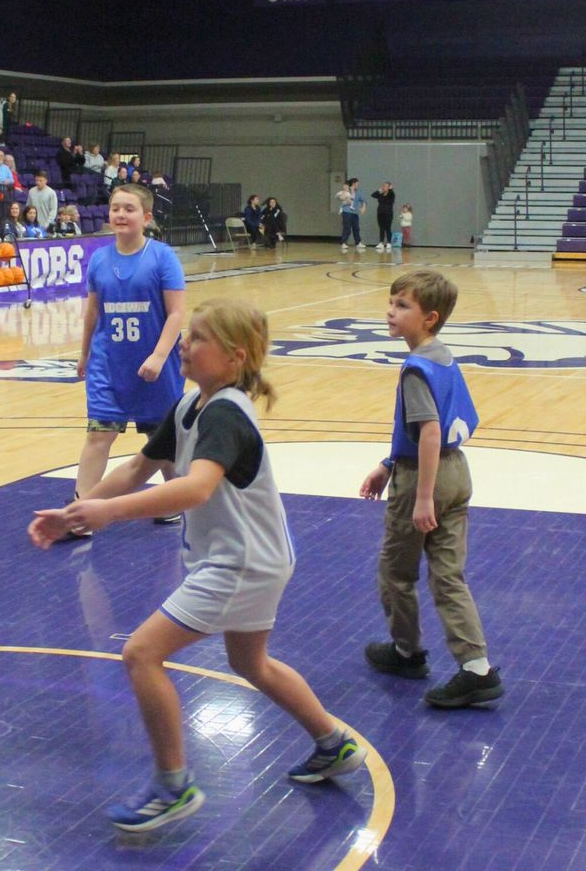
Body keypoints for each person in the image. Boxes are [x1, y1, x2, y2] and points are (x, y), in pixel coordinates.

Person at [29, 297, 366, 832]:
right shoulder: (190, 406)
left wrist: (108, 513)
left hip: (241, 562)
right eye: (187, 335)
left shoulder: (228, 412)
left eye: (199, 338)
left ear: (234, 357)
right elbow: (140, 466)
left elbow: (195, 487)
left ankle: (173, 785)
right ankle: (334, 743)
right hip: (251, 557)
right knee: (251, 663)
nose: (185, 343)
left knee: (141, 653)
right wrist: (79, 511)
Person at [359, 271, 503, 709]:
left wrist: (421, 495)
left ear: (430, 318)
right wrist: (388, 462)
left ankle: (406, 652)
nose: (391, 310)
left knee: (397, 572)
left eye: (403, 305)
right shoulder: (444, 358)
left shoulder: (415, 369)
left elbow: (429, 432)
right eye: (391, 301)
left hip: (426, 477)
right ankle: (476, 668)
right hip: (458, 474)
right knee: (448, 576)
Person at [72, 184, 187, 531]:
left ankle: (175, 498)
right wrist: (85, 352)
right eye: (115, 208)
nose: (120, 215)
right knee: (98, 435)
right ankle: (81, 512)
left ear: (146, 217)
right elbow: (93, 311)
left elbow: (177, 313)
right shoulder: (99, 259)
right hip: (109, 364)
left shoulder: (162, 257)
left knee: (161, 441)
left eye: (129, 209)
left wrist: (158, 356)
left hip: (154, 365)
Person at [336, 177, 366, 253]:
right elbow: (340, 198)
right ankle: (344, 243)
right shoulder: (346, 191)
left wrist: (363, 207)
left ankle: (358, 242)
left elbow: (363, 200)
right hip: (346, 212)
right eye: (357, 183)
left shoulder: (358, 193)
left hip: (354, 213)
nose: (358, 185)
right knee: (347, 228)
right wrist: (346, 193)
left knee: (356, 228)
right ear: (354, 184)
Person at [372, 181, 396, 252]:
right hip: (380, 213)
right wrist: (379, 190)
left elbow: (392, 193)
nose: (384, 187)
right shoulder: (381, 194)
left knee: (388, 228)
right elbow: (373, 195)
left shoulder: (391, 194)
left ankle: (389, 242)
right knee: (381, 228)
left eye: (386, 186)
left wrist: (391, 189)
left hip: (388, 213)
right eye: (383, 186)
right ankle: (381, 242)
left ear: (389, 187)